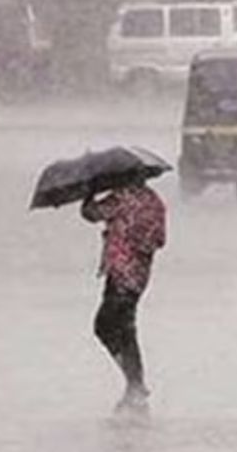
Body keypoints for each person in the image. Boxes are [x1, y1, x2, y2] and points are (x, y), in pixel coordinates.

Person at [80, 176, 166, 412]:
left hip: (119, 272)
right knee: (126, 326)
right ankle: (135, 382)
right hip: (139, 275)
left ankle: (134, 381)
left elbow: (90, 213)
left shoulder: (121, 198)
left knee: (104, 326)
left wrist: (90, 190)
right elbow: (160, 239)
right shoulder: (154, 201)